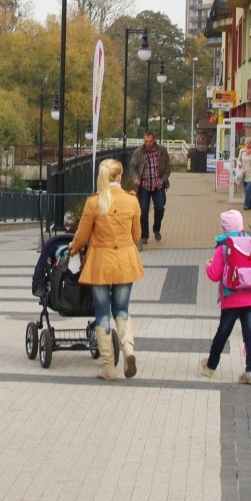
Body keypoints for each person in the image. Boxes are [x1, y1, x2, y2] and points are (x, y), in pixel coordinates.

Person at [68, 159, 145, 380]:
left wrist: (73, 249)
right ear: (119, 177)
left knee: (102, 313)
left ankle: (108, 367)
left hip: (100, 263)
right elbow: (136, 235)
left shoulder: (94, 203)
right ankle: (129, 349)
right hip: (124, 262)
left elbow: (81, 237)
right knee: (121, 309)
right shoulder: (131, 201)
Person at [200, 209, 251, 385]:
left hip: (231, 299)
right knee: (249, 334)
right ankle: (250, 371)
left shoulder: (223, 248)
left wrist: (208, 266)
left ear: (224, 228)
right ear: (241, 224)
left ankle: (210, 366)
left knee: (223, 333)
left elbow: (215, 275)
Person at [129, 131, 171, 244]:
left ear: (154, 140)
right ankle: (144, 235)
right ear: (143, 140)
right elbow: (132, 168)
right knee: (143, 211)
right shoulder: (138, 152)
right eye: (146, 141)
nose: (148, 144)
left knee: (159, 208)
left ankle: (156, 229)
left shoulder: (161, 150)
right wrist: (135, 178)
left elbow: (167, 167)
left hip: (158, 185)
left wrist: (163, 180)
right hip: (144, 186)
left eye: (150, 141)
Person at [236, 138, 251, 210]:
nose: (249, 144)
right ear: (245, 143)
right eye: (247, 142)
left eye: (250, 142)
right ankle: (250, 204)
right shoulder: (242, 151)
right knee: (245, 190)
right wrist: (239, 164)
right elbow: (238, 159)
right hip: (244, 173)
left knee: (248, 189)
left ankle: (246, 205)